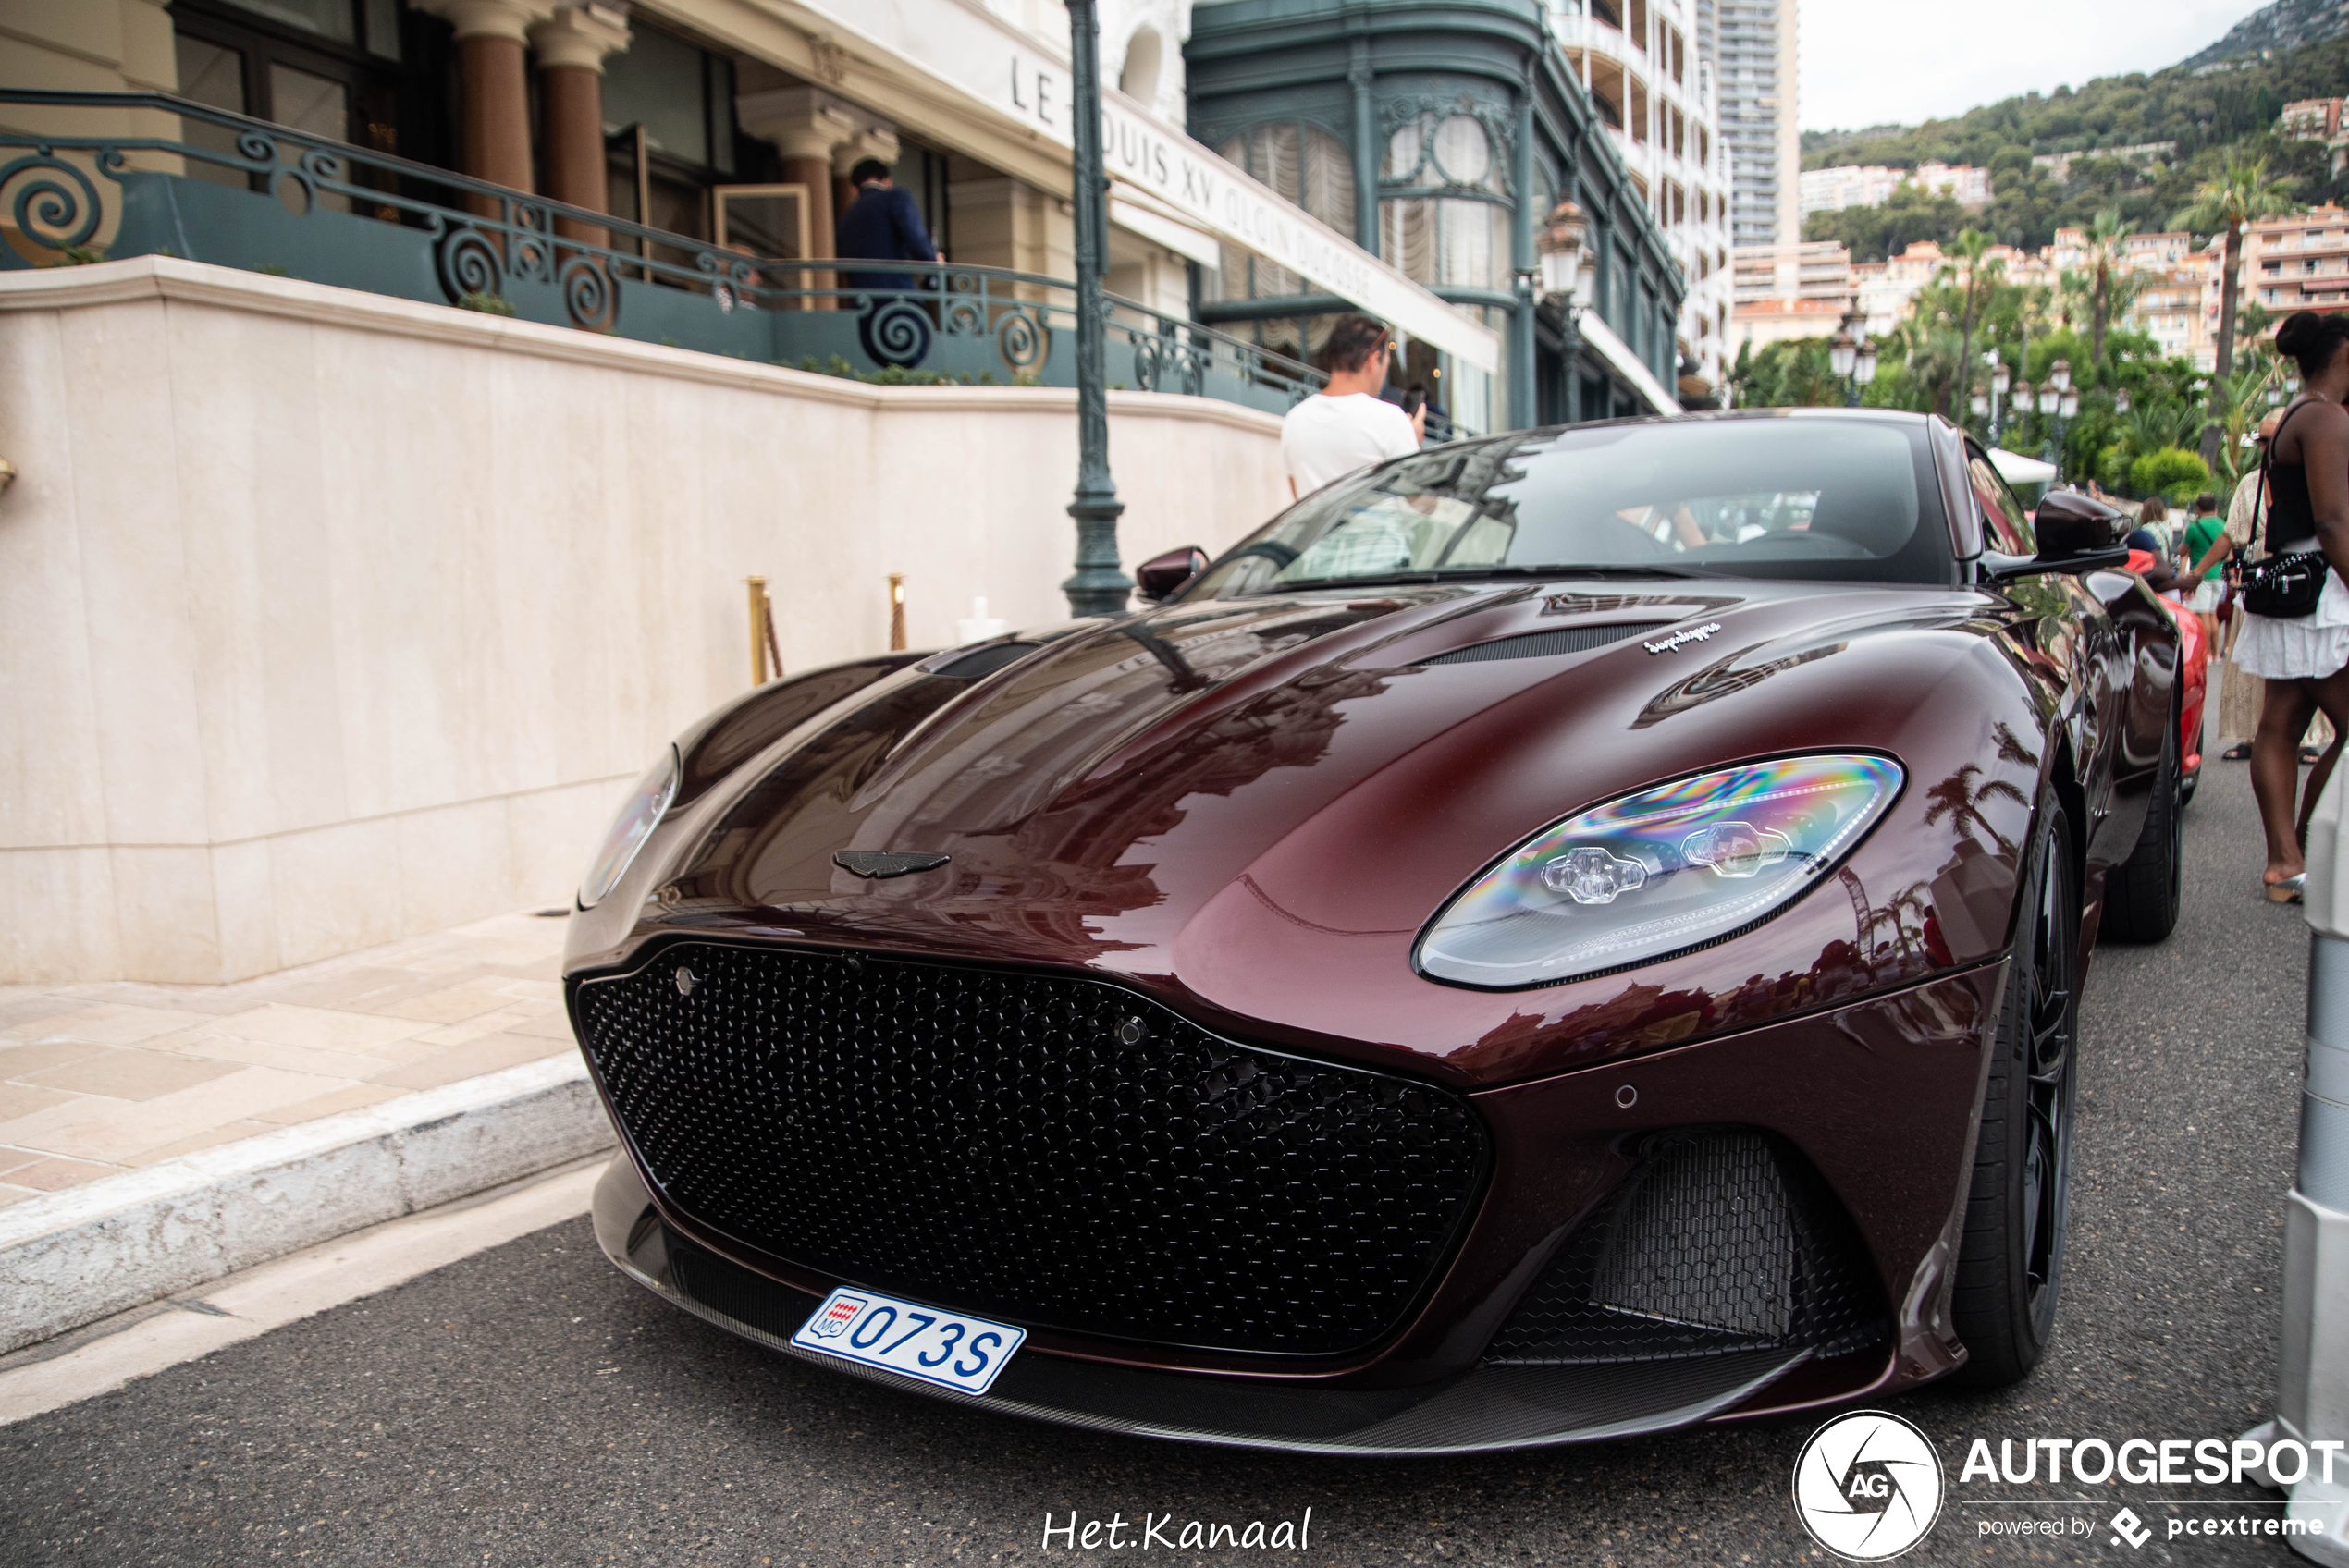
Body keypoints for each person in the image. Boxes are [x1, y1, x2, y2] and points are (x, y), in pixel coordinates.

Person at [2231, 310, 2349, 901]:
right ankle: (2310, 848)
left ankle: (2287, 861)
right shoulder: (2324, 418)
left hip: (2293, 587)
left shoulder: (2294, 418)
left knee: (2280, 725)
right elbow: (2332, 519)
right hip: (2324, 589)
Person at [1281, 312, 1424, 498]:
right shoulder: (1390, 420)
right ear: (1373, 360)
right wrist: (1414, 444)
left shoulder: (1294, 420)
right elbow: (1422, 504)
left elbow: (1299, 502)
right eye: (1386, 365)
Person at [835, 158, 940, 295]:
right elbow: (916, 237)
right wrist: (933, 262)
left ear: (854, 189)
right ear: (888, 181)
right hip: (897, 298)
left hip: (862, 302)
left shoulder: (846, 217)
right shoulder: (896, 198)